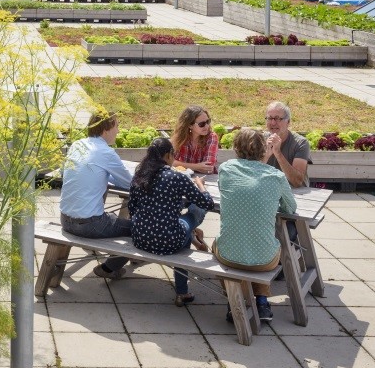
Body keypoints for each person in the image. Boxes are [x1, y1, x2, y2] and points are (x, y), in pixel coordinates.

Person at [212, 128, 298, 322]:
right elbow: (290, 208)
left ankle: (234, 301)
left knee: (226, 243)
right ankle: (261, 301)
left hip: (229, 256)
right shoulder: (275, 176)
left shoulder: (226, 169)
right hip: (264, 260)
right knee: (263, 243)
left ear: (235, 148)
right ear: (263, 149)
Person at [128, 138, 214, 305]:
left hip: (140, 238)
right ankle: (182, 291)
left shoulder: (139, 174)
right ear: (168, 155)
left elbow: (132, 208)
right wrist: (200, 185)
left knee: (182, 231)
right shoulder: (176, 177)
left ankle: (183, 291)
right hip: (168, 242)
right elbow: (207, 203)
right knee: (195, 210)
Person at [59, 110, 132, 279]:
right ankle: (109, 268)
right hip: (90, 225)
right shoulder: (106, 153)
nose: (119, 131)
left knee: (115, 220)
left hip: (65, 220)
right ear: (106, 128)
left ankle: (117, 264)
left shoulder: (77, 145)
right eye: (117, 126)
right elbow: (129, 184)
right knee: (142, 229)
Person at [263, 100, 311, 188]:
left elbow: (297, 182)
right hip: (268, 192)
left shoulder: (300, 143)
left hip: (296, 194)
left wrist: (278, 153)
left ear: (288, 122)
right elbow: (251, 174)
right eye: (270, 118)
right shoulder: (261, 140)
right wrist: (266, 155)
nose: (273, 123)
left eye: (278, 118)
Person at [171, 104, 219, 174]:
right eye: (202, 124)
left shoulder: (211, 137)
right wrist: (197, 167)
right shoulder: (181, 137)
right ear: (190, 125)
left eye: (208, 122)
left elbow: (208, 168)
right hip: (186, 178)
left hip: (208, 180)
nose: (207, 126)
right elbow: (170, 161)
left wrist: (183, 165)